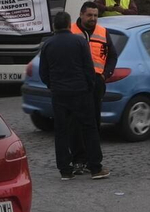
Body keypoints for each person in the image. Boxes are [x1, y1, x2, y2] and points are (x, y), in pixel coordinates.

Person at [37, 10, 107, 180]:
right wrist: (89, 86)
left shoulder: (47, 44)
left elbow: (43, 71)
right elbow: (88, 68)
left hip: (59, 94)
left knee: (61, 131)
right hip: (81, 91)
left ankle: (65, 170)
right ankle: (95, 167)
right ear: (69, 25)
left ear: (54, 26)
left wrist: (52, 85)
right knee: (89, 128)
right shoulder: (79, 41)